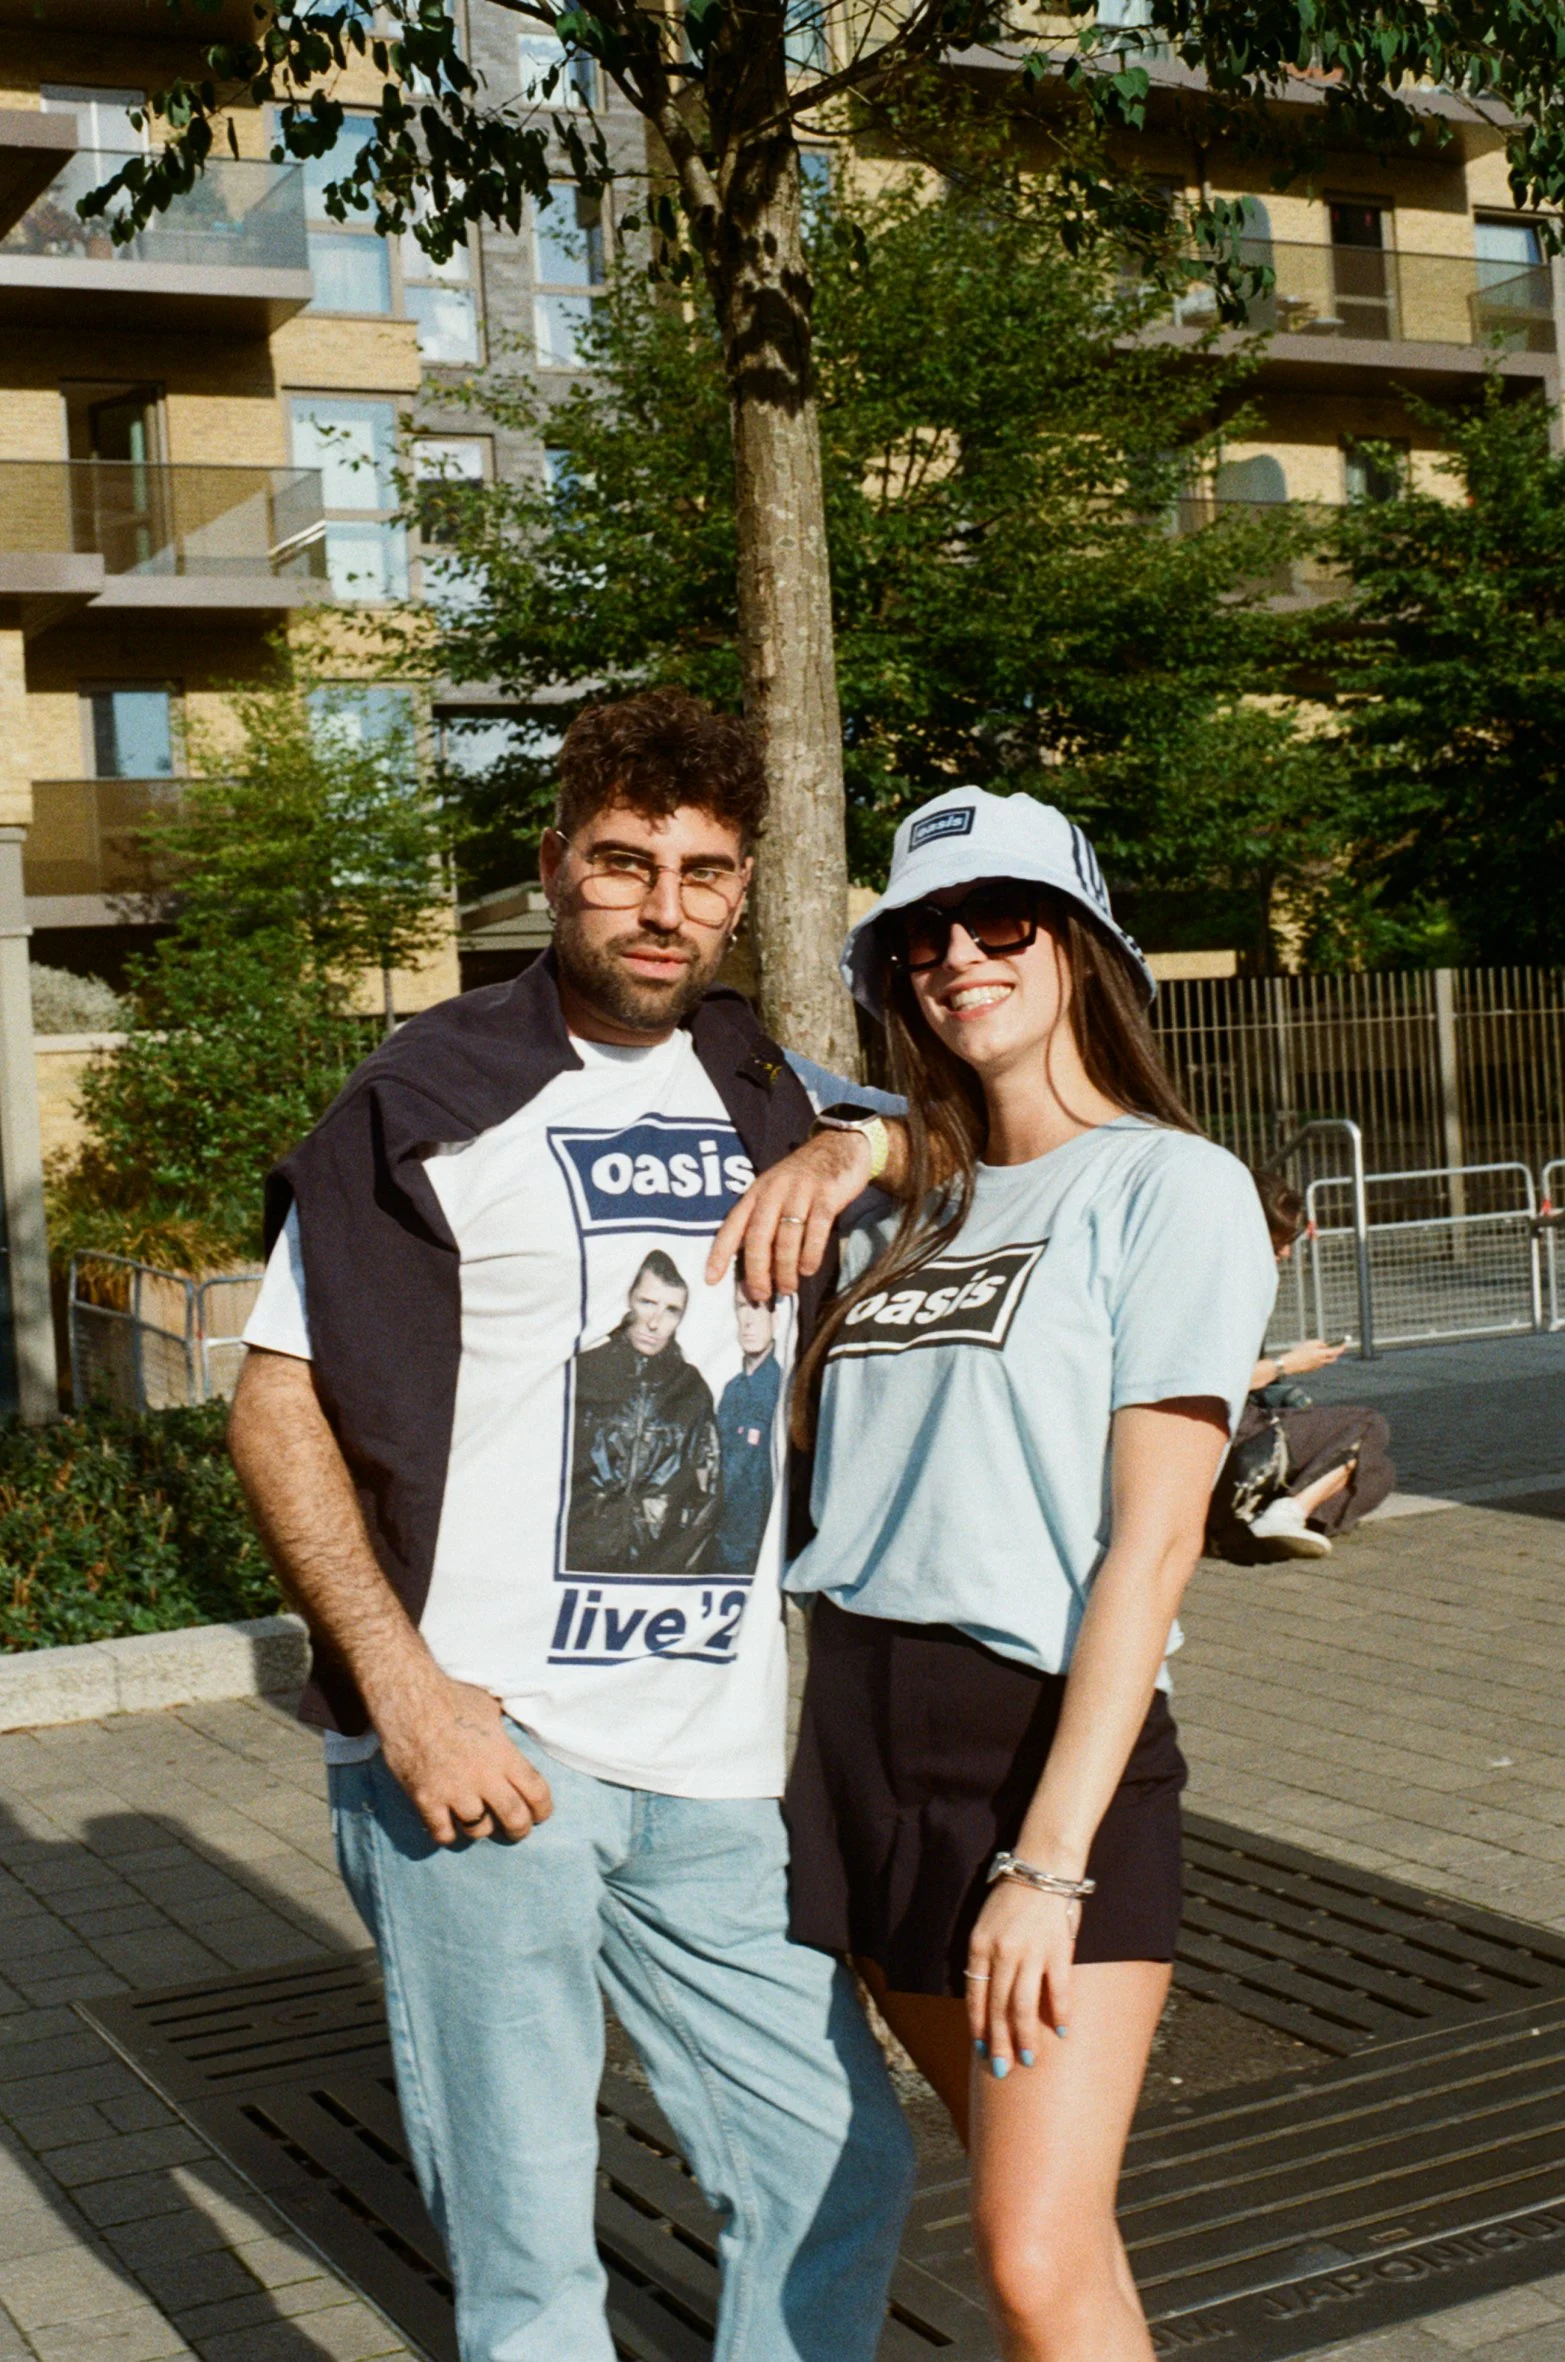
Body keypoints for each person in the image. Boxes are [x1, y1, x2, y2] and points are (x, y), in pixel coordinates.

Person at [226, 686, 915, 2362]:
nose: (663, 904)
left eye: (703, 869)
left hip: (717, 1757)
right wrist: (406, 1694)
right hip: (489, 1751)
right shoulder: (433, 1090)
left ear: (743, 888)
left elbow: (977, 1139)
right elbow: (273, 1400)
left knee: (837, 2161)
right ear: (554, 867)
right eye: (624, 863)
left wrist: (868, 1142)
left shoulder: (766, 1078)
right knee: (534, 2253)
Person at [775, 786, 1278, 2362]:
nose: (959, 955)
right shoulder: (901, 1198)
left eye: (1004, 921)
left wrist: (1048, 1861)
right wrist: (869, 1136)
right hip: (857, 1734)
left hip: (1040, 1748)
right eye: (923, 933)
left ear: (1085, 949)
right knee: (1048, 2234)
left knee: (1029, 2254)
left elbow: (1154, 1540)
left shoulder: (1169, 1186)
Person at [1208, 1173, 1395, 1561]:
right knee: (1366, 1425)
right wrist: (1287, 1364)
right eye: (1279, 1243)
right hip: (1233, 1430)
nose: (1286, 1254)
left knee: (1377, 1474)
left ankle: (1260, 1522)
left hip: (1243, 1419)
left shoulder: (1231, 1279)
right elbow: (1219, 1378)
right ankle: (1285, 1514)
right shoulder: (1221, 1289)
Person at [566, 1249, 720, 1572]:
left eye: (671, 1310)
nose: (654, 1322)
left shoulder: (691, 1388)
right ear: (629, 1299)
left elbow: (708, 1491)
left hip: (658, 1571)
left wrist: (679, 1568)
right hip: (580, 1559)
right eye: (647, 1303)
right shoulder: (585, 1372)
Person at [712, 1281, 783, 1574]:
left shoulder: (783, 1387)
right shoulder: (732, 1390)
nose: (748, 1320)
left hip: (761, 1551)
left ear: (775, 1317)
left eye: (757, 1306)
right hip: (722, 1543)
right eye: (742, 1307)